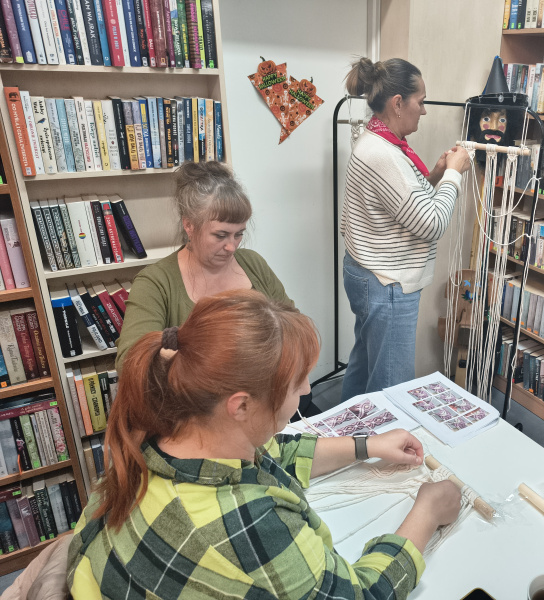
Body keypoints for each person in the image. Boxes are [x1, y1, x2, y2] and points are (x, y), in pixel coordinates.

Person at [68, 291, 461, 599]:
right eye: (297, 383)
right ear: (240, 406)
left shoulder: (157, 435)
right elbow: (362, 595)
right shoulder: (249, 525)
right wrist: (427, 512)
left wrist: (367, 445)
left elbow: (274, 454)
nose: (306, 390)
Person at [115, 161, 319, 417]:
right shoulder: (156, 282)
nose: (232, 246)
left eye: (239, 234)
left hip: (269, 403)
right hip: (200, 417)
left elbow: (295, 325)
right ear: (189, 225)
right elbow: (130, 363)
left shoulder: (253, 264)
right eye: (220, 236)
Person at [340, 57, 471, 401]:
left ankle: (349, 428)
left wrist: (436, 176)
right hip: (387, 282)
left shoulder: (378, 140)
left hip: (369, 273)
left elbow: (404, 205)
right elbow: (431, 224)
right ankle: (383, 437)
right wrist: (454, 175)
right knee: (390, 386)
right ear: (398, 103)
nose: (424, 111)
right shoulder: (385, 155)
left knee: (364, 366)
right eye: (421, 101)